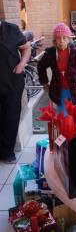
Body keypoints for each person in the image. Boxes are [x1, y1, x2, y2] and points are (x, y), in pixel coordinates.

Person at [37, 23, 76, 115]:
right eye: (58, 38)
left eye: (64, 38)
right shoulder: (50, 54)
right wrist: (44, 82)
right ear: (54, 40)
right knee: (63, 118)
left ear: (69, 39)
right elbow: (41, 66)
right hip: (59, 91)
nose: (61, 41)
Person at [0, 20, 31, 163]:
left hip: (12, 82)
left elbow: (26, 48)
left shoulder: (11, 29)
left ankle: (7, 152)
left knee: (11, 118)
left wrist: (22, 64)